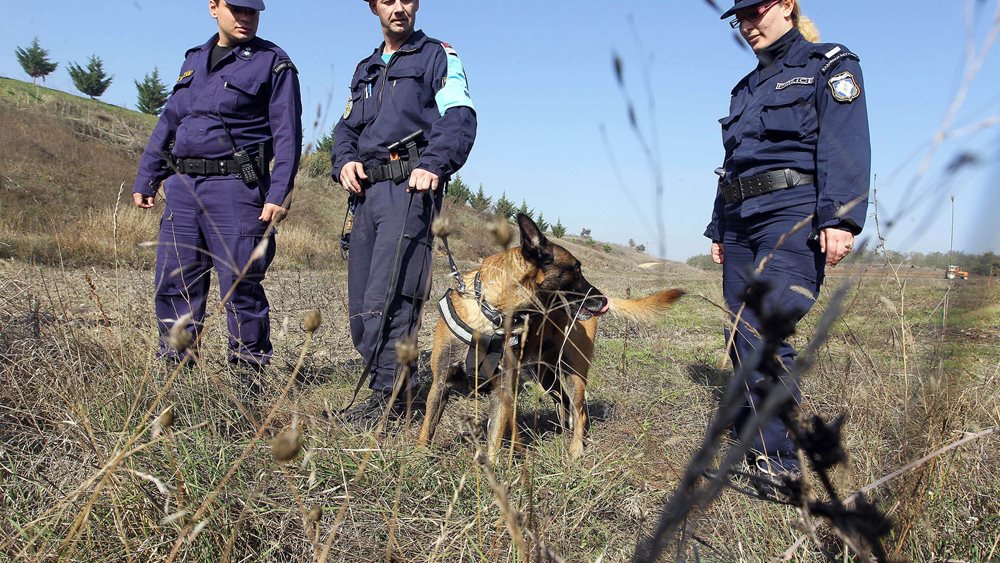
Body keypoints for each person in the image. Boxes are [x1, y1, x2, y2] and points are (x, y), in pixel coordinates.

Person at [705, 0, 870, 475]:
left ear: (786, 6)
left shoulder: (830, 63)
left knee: (764, 326)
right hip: (740, 218)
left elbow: (845, 139)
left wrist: (839, 217)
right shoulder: (745, 89)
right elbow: (735, 161)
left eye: (754, 12)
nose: (746, 25)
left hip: (792, 211)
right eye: (738, 18)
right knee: (740, 333)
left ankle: (778, 462)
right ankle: (749, 446)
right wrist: (719, 225)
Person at [133, 0, 303, 383]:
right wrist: (148, 175)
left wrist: (279, 192)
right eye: (236, 9)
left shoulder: (272, 63)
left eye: (252, 12)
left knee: (240, 284)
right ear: (213, 7)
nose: (245, 18)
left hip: (237, 189)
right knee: (174, 281)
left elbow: (288, 135)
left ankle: (247, 380)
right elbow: (170, 121)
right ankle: (175, 375)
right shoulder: (194, 60)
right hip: (183, 187)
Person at [331, 0, 477, 424]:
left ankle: (396, 398)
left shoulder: (437, 55)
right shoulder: (366, 69)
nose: (399, 8)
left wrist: (434, 163)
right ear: (374, 7)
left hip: (410, 189)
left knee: (391, 295)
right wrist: (343, 161)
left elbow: (459, 114)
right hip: (366, 194)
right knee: (361, 302)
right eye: (388, 0)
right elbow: (346, 128)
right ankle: (382, 383)